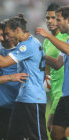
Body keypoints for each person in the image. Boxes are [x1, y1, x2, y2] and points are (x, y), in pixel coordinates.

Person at [0, 14, 48, 140]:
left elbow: (3, 62)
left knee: (37, 136)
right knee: (12, 135)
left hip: (31, 99)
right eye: (3, 34)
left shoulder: (26, 46)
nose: (5, 37)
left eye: (7, 34)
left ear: (18, 30)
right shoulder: (27, 44)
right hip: (21, 100)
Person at [35, 6, 69, 140]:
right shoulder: (62, 40)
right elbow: (57, 64)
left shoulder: (63, 39)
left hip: (63, 91)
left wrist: (47, 35)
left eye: (57, 19)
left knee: (54, 128)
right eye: (48, 18)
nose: (54, 22)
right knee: (55, 131)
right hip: (62, 93)